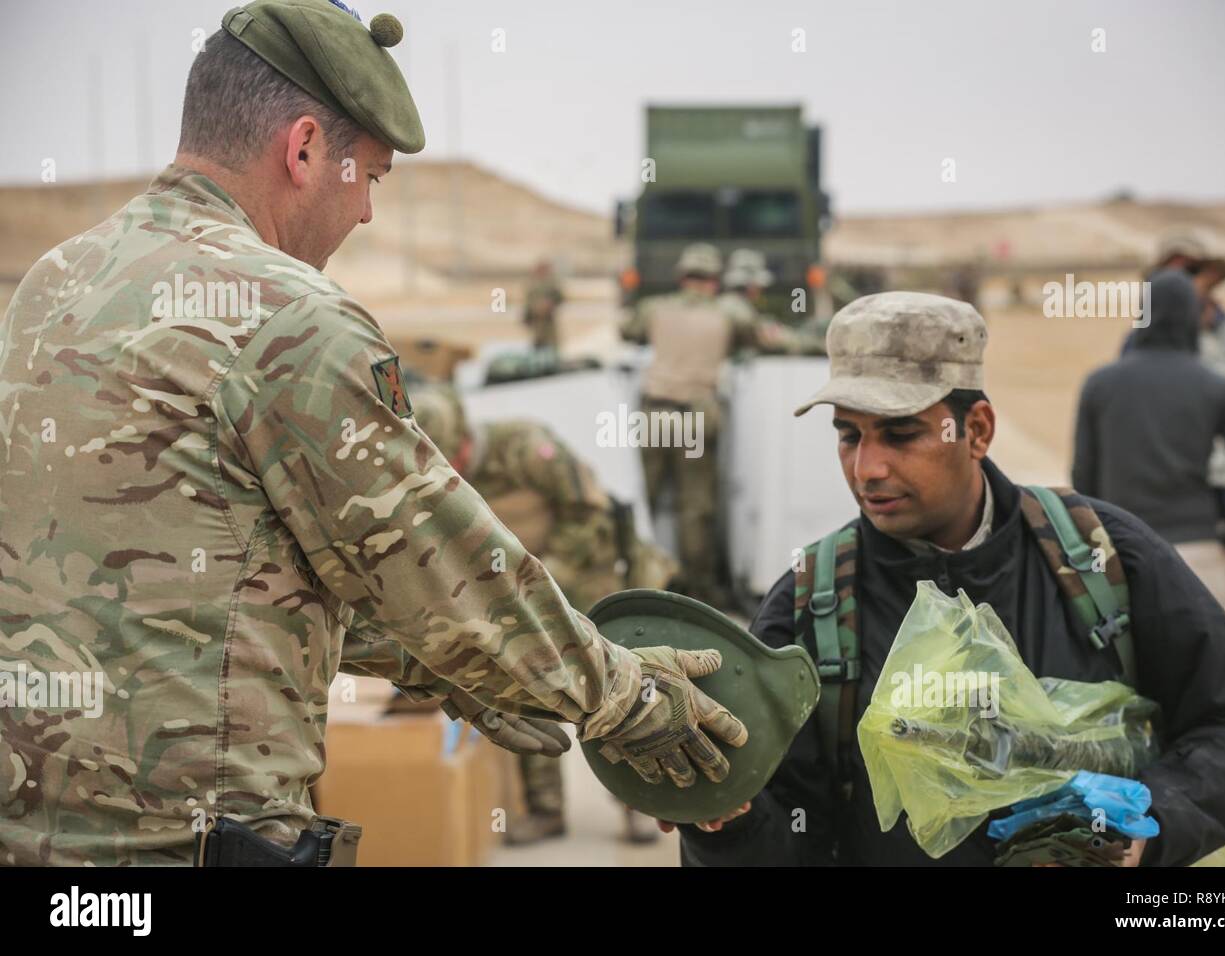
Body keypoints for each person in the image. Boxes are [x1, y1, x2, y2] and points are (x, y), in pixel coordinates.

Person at [0, 0, 745, 867]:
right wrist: (618, 692)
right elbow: (435, 557)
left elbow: (188, 574)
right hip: (185, 845)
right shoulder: (288, 317)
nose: (365, 217)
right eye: (372, 179)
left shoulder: (53, 285)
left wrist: (445, 668)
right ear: (305, 147)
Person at [670, 292, 1225, 866]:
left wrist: (1146, 826)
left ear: (977, 431)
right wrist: (724, 820)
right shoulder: (810, 604)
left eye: (899, 432)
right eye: (848, 435)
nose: (868, 468)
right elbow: (789, 838)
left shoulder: (1103, 557)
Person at [409, 382, 677, 845]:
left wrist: (544, 575)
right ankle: (545, 809)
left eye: (456, 458)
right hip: (515, 593)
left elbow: (590, 511)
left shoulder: (525, 447)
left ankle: (636, 804)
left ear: (465, 439)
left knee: (605, 688)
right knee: (521, 688)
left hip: (585, 572)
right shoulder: (437, 474)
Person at [1073, 269, 1225, 614]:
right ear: (1193, 317)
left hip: (1123, 552)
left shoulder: (1099, 386)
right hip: (1199, 557)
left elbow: (1081, 476)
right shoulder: (1222, 390)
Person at [619, 242, 786, 608]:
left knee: (644, 500)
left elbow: (628, 332)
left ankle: (631, 576)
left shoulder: (654, 308)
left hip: (655, 413)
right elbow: (762, 341)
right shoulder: (729, 314)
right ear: (714, 281)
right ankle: (698, 591)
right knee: (695, 507)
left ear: (682, 277)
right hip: (696, 415)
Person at [522, 260, 564, 352]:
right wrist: (533, 310)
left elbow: (559, 297)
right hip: (536, 320)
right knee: (538, 342)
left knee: (552, 343)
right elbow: (528, 302)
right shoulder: (531, 283)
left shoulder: (551, 283)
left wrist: (549, 304)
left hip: (548, 319)